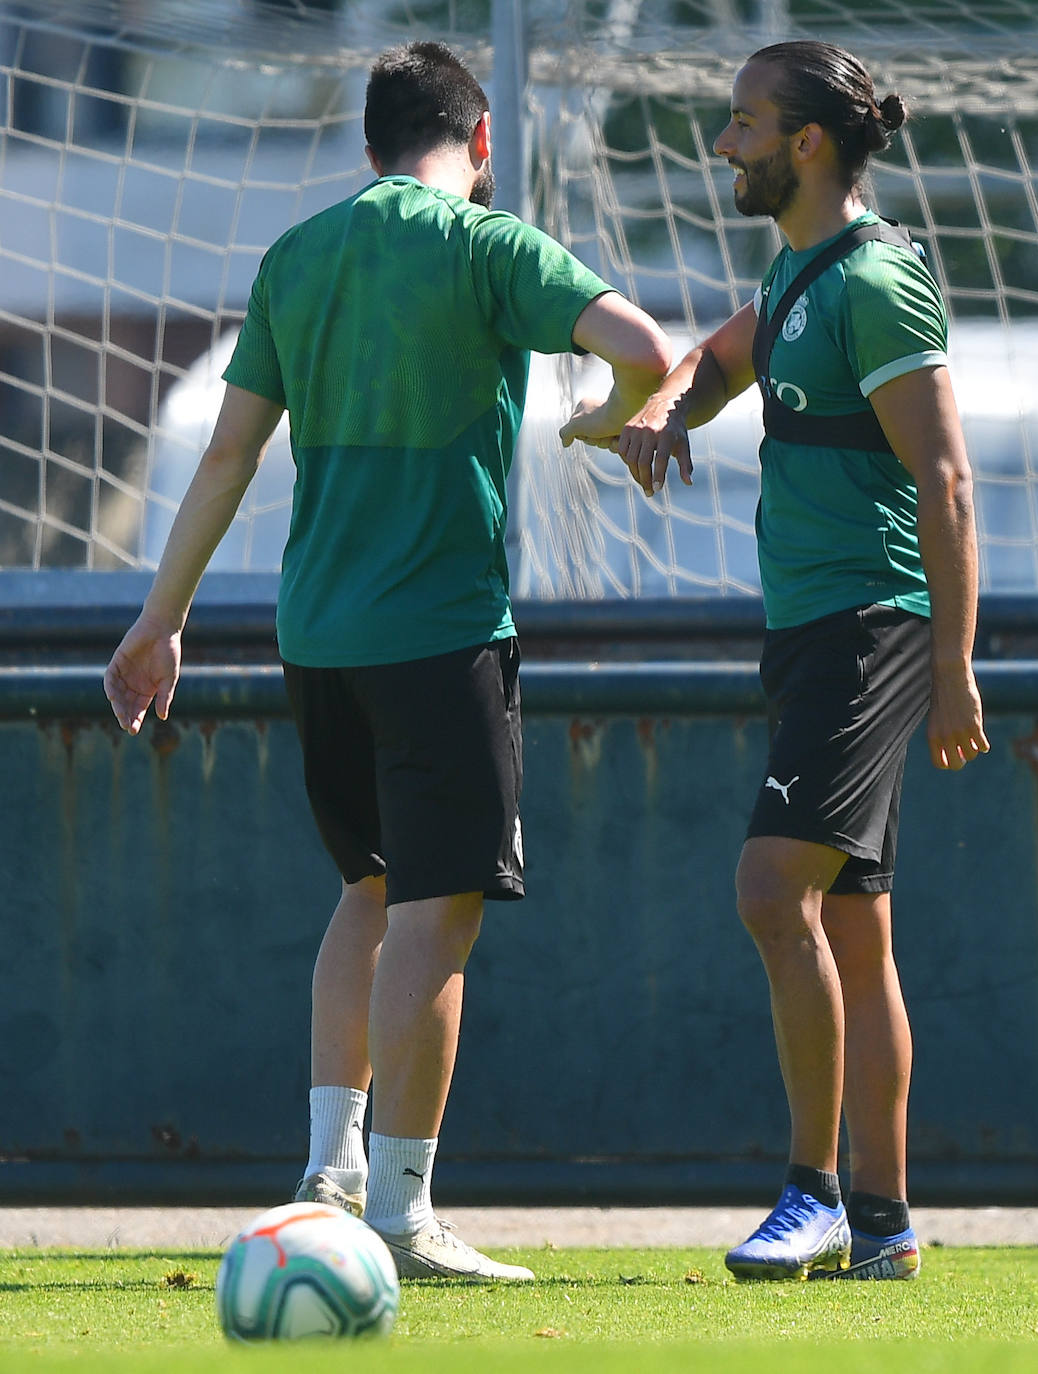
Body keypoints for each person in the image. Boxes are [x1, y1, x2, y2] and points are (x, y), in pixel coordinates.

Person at [104, 40, 672, 1282]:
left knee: (366, 891)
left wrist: (159, 620)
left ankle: (328, 1170)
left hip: (316, 636)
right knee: (436, 909)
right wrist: (613, 414)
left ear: (368, 149)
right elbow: (640, 338)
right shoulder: (488, 244)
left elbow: (225, 459)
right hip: (439, 630)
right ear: (479, 145)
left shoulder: (299, 256)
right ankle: (404, 1217)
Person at [561, 40, 989, 1281]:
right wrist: (652, 413)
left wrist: (953, 667)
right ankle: (887, 1225)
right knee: (856, 932)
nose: (723, 143)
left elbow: (948, 481)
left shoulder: (877, 279)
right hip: (810, 631)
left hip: (870, 627)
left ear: (806, 143)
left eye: (743, 123)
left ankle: (810, 1197)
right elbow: (712, 360)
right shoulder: (798, 267)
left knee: (768, 891)